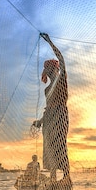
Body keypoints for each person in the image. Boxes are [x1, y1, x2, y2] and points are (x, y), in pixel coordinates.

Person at [32, 33, 69, 179]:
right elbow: (48, 108)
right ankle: (53, 178)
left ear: (56, 69)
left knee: (60, 144)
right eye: (47, 69)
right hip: (49, 118)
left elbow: (61, 59)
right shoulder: (47, 89)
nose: (49, 71)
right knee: (49, 147)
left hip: (60, 116)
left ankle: (66, 177)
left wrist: (49, 42)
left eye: (51, 69)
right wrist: (40, 121)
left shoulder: (62, 80)